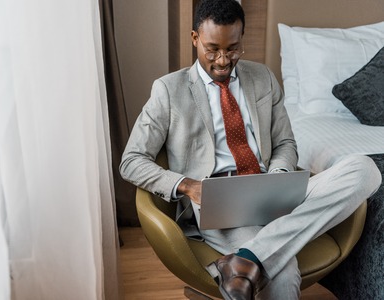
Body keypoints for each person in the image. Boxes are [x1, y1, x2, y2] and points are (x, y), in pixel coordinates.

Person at [119, 0, 381, 299]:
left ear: (241, 38)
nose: (222, 60)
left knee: (365, 170)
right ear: (195, 39)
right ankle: (260, 255)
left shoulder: (263, 78)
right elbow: (131, 161)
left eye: (232, 48)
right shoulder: (168, 90)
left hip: (272, 188)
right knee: (281, 274)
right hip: (221, 202)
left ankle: (246, 260)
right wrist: (190, 187)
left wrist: (280, 175)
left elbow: (284, 143)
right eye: (212, 48)